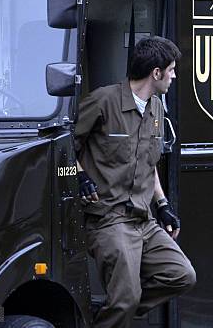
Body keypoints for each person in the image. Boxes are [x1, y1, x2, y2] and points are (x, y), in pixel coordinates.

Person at [74, 36, 196, 328]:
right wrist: (78, 175)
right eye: (171, 70)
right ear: (156, 73)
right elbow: (65, 145)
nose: (174, 76)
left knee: (182, 275)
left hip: (145, 219)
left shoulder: (156, 109)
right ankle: (119, 308)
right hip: (109, 220)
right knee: (125, 299)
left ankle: (113, 312)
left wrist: (163, 204)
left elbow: (148, 162)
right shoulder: (104, 101)